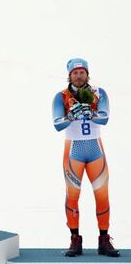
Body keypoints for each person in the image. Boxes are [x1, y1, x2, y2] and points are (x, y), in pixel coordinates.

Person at [52, 58, 119, 257]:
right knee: (73, 197)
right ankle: (75, 239)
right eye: (75, 73)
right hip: (74, 151)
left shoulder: (99, 93)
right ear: (69, 75)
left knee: (102, 196)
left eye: (82, 72)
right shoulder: (61, 96)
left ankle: (104, 239)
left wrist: (90, 111)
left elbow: (105, 118)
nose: (79, 76)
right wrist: (70, 116)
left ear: (87, 74)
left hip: (95, 150)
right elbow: (57, 124)